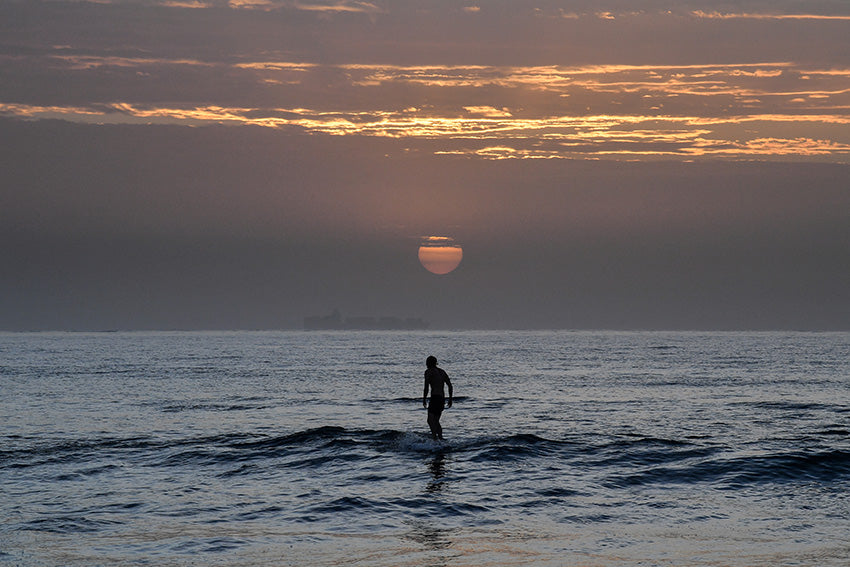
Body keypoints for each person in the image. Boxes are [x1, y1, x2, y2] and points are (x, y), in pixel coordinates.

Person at [422, 355, 453, 440]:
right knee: (436, 420)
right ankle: (440, 437)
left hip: (435, 397)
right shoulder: (442, 372)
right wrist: (450, 399)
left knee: (430, 420)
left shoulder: (428, 371)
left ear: (428, 363)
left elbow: (426, 387)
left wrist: (424, 399)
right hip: (441, 399)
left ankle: (434, 438)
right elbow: (450, 385)